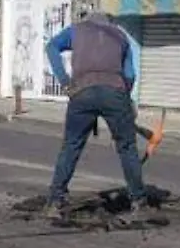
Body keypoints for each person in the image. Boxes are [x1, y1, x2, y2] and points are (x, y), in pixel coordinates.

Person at [44, 12, 148, 222]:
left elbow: (51, 47)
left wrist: (64, 81)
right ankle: (138, 201)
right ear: (110, 22)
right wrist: (124, 98)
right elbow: (130, 74)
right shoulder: (120, 36)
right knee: (127, 147)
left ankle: (55, 200)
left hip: (82, 92)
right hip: (115, 93)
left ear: (87, 19)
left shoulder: (76, 30)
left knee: (71, 145)